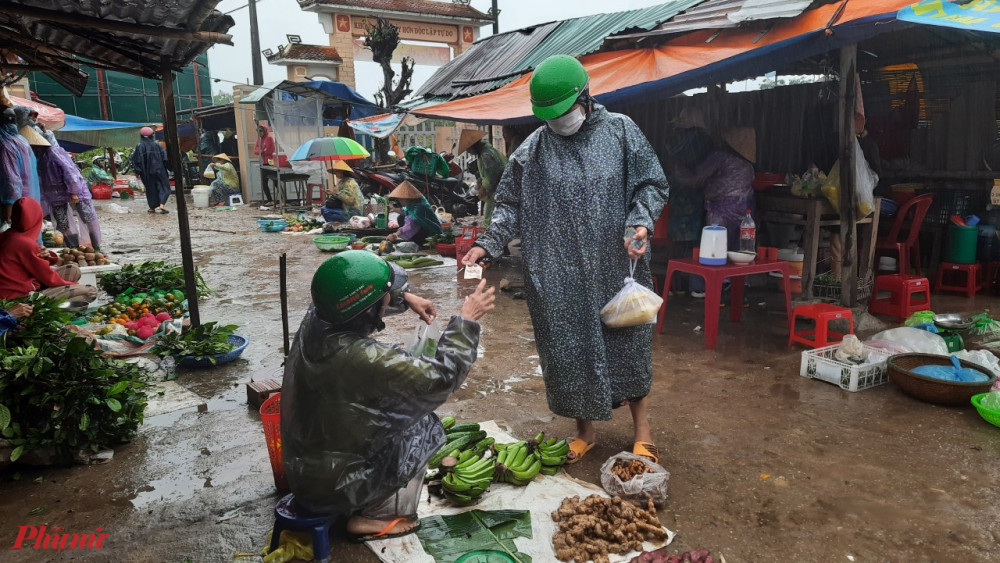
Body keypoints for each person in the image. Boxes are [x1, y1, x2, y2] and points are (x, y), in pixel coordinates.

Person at [461, 55, 668, 465]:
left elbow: (650, 183)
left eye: (564, 112)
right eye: (549, 116)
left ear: (585, 98)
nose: (559, 122)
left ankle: (642, 429)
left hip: (616, 263)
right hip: (556, 274)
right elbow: (508, 206)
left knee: (628, 345)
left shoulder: (621, 132)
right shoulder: (533, 151)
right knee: (567, 352)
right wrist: (487, 243)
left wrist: (641, 222)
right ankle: (584, 431)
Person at [281, 250, 495, 541]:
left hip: (306, 469)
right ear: (368, 308)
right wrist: (466, 321)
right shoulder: (361, 357)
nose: (387, 298)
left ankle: (364, 502)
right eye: (385, 295)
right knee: (422, 430)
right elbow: (441, 377)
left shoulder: (319, 321)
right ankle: (375, 516)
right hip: (333, 486)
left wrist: (404, 298)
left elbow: (354, 305)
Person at [0, 197, 97, 303]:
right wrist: (71, 285)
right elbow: (48, 278)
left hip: (14, 287)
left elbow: (29, 262)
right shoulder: (25, 244)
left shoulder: (7, 236)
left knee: (73, 271)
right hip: (18, 297)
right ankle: (38, 311)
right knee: (90, 292)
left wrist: (47, 257)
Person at [30, 126, 102, 250]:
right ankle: (73, 248)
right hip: (55, 194)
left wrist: (74, 191)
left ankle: (95, 247)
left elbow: (70, 173)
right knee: (62, 222)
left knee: (87, 217)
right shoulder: (38, 157)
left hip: (75, 190)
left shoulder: (55, 153)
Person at [457, 129, 507, 229]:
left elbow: (491, 181)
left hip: (498, 192)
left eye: (468, 149)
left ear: (474, 145)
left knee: (492, 222)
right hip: (499, 191)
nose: (468, 152)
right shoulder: (487, 152)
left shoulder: (486, 155)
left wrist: (482, 187)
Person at [384, 180, 443, 245]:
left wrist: (395, 235)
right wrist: (395, 209)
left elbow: (411, 225)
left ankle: (421, 243)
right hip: (423, 228)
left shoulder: (418, 208)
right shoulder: (413, 204)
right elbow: (405, 211)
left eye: (400, 199)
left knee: (403, 220)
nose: (399, 201)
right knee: (400, 217)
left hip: (431, 234)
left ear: (408, 198)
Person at [131, 126, 171, 214]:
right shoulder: (157, 145)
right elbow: (165, 158)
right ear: (152, 135)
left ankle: (152, 208)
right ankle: (162, 205)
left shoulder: (139, 146)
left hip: (146, 173)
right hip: (160, 170)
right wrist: (167, 168)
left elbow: (136, 160)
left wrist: (137, 172)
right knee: (164, 187)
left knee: (150, 189)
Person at [254, 124, 276, 206]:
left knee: (276, 181)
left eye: (261, 131)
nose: (259, 133)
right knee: (264, 183)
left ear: (264, 131)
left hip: (271, 162)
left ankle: (282, 199)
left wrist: (261, 151)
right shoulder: (259, 140)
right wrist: (262, 151)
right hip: (264, 162)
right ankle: (270, 200)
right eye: (258, 131)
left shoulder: (269, 138)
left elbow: (269, 151)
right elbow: (255, 151)